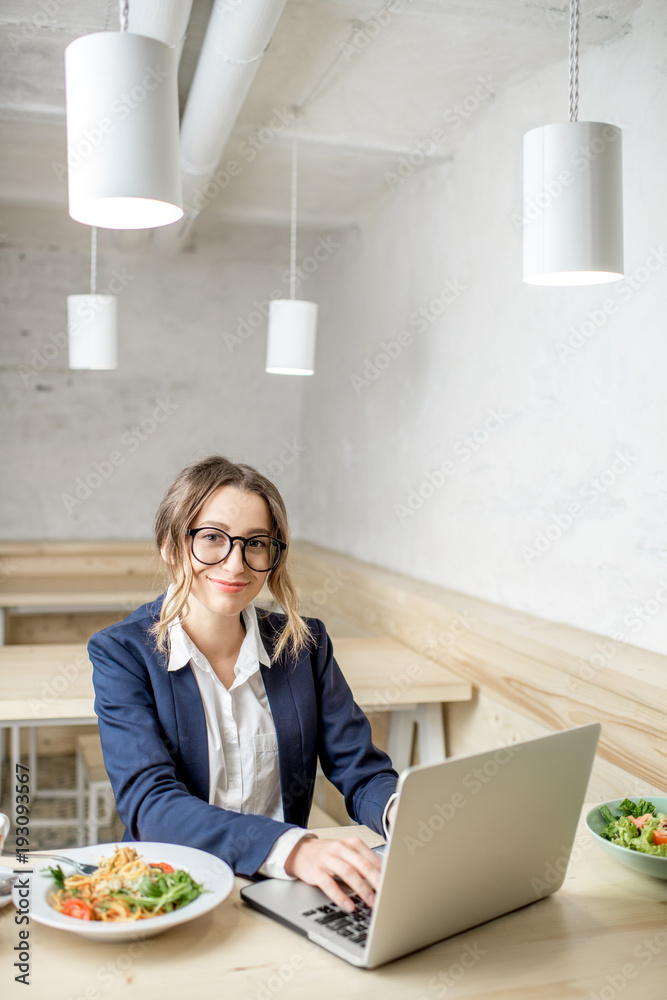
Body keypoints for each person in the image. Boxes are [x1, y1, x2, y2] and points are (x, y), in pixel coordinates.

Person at [89, 455, 398, 914]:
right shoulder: (122, 654)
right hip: (170, 894)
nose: (235, 564)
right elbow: (151, 805)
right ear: (170, 546)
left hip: (284, 892)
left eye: (255, 543)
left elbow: (361, 771)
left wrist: (401, 813)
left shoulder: (304, 645)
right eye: (212, 538)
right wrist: (293, 849)